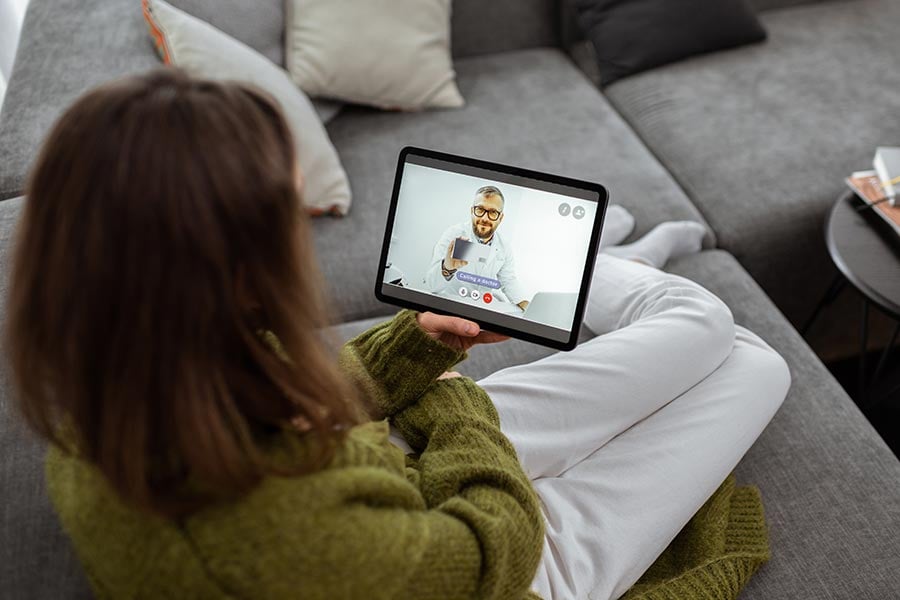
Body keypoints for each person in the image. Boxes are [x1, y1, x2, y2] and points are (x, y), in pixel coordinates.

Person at [5, 69, 790, 600]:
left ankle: (588, 265)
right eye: (292, 214)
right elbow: (496, 549)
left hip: (397, 464)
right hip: (510, 562)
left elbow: (283, 400)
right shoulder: (275, 538)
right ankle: (590, 266)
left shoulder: (120, 372)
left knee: (705, 329)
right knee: (750, 360)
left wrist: (415, 344)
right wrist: (452, 406)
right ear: (239, 267)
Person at [423, 185, 531, 311]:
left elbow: (508, 280)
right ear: (472, 211)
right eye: (480, 209)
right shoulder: (453, 235)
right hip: (450, 306)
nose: (485, 218)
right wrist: (447, 268)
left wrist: (527, 306)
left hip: (481, 308)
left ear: (500, 218)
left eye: (493, 212)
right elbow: (431, 285)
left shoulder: (504, 247)